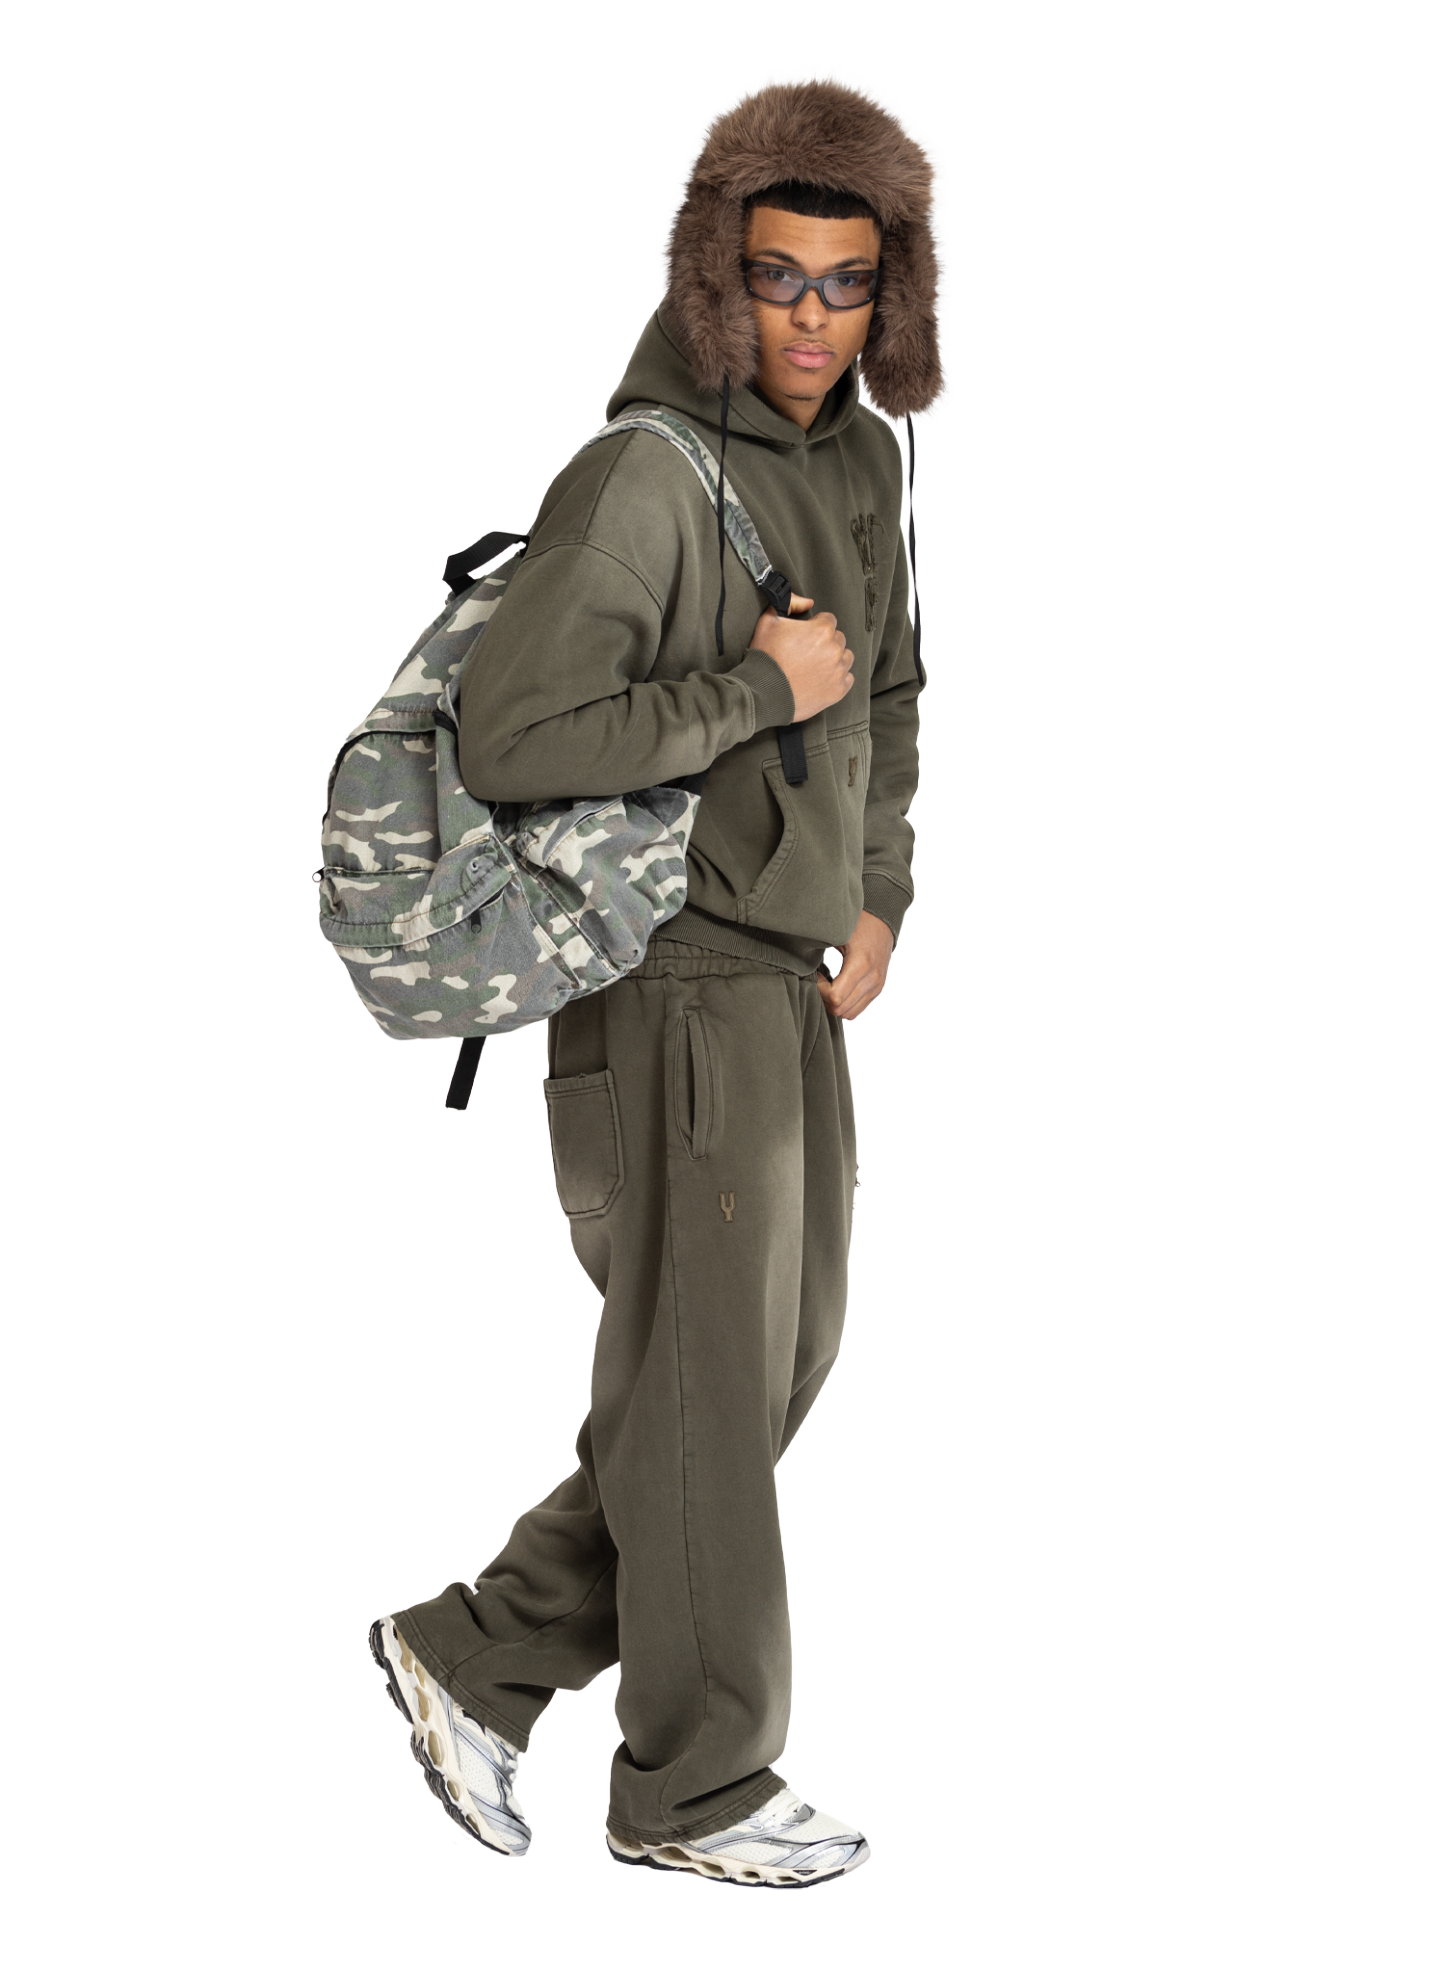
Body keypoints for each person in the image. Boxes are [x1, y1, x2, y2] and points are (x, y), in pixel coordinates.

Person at [368, 75, 944, 1888]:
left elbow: (892, 687)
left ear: (891, 292)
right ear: (716, 277)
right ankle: (692, 1787)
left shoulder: (869, 461)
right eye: (776, 278)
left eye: (847, 283)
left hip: (783, 974)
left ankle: (480, 1651)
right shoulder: (642, 476)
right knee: (707, 1386)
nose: (810, 320)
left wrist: (878, 889)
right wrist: (756, 693)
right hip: (665, 973)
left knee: (767, 1369)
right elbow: (519, 735)